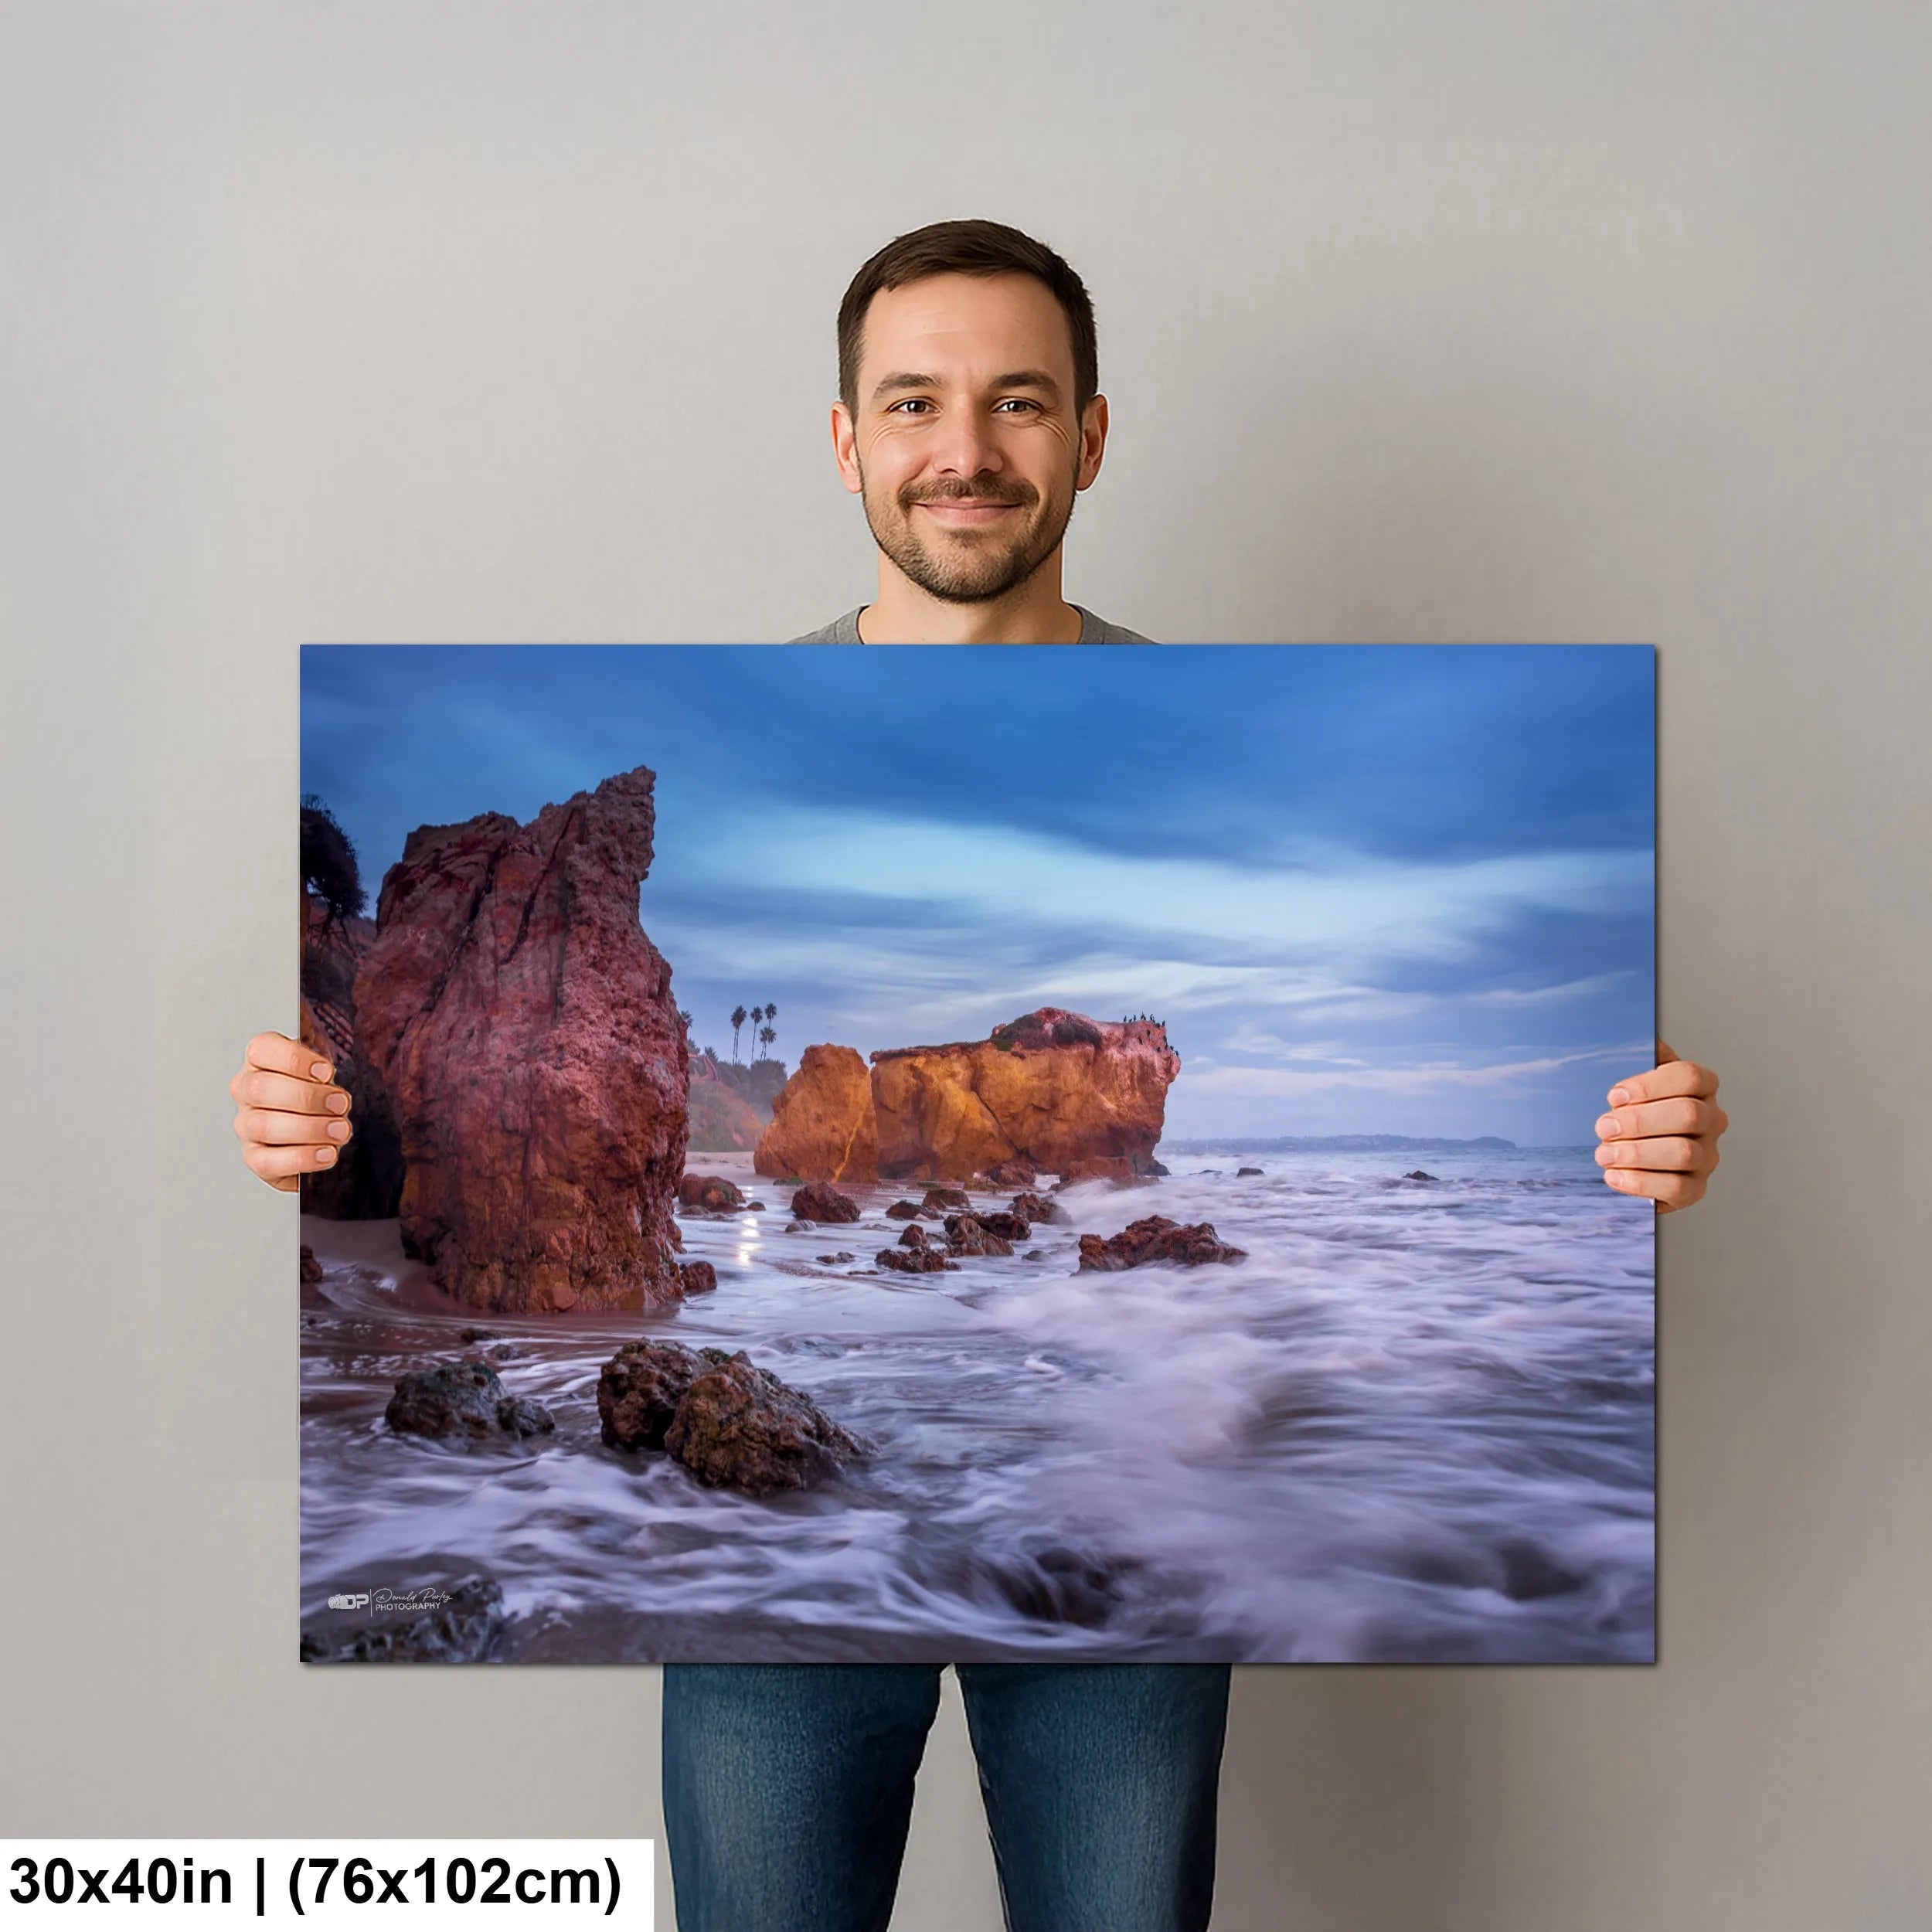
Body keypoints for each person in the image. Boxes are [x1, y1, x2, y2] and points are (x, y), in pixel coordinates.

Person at [233, 219, 1729, 1932]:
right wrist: (302, 1116)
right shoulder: (729, 707)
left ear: (1088, 436)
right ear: (845, 437)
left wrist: (1635, 1138)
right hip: (783, 1501)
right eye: (915, 402)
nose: (964, 450)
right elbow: (374, 1118)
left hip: (1106, 1490)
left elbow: (1613, 1111)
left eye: (1017, 403)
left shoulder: (1193, 707)